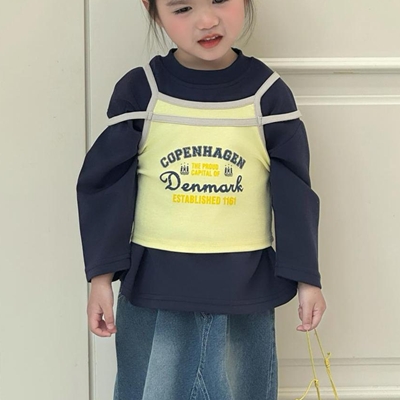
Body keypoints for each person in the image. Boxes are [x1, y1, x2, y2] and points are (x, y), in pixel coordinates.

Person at [77, 0, 327, 398]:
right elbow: (107, 186)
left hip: (244, 288)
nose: (207, 20)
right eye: (183, 8)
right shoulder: (142, 91)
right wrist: (100, 278)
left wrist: (307, 278)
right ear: (152, 9)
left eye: (219, 0)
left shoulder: (268, 95)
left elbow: (294, 191)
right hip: (155, 284)